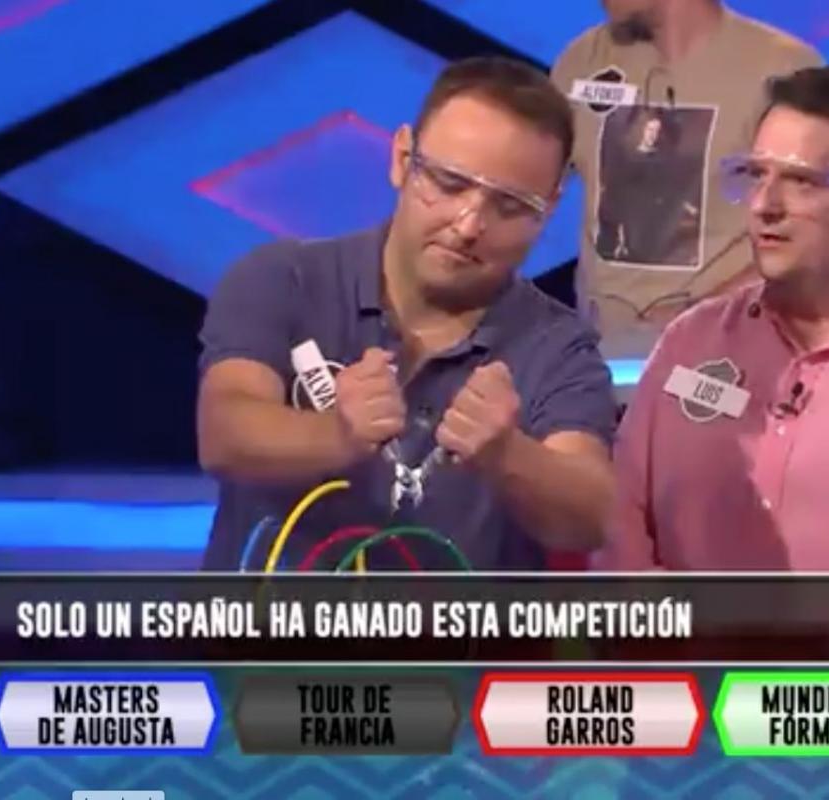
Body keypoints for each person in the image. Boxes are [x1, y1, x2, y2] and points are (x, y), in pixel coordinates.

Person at [197, 57, 618, 572]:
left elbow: (591, 514)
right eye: (449, 183)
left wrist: (509, 455)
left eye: (509, 206)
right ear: (402, 159)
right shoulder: (285, 279)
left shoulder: (559, 347)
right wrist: (335, 436)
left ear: (548, 209)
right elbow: (225, 431)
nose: (468, 225)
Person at [598, 66, 829, 571]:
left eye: (801, 181)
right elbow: (618, 523)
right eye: (756, 175)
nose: (764, 205)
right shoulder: (690, 342)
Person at [551, 0, 822, 363]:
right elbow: (528, 194)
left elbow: (813, 234)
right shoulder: (581, 61)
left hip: (728, 355)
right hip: (601, 357)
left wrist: (699, 319)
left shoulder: (782, 68)